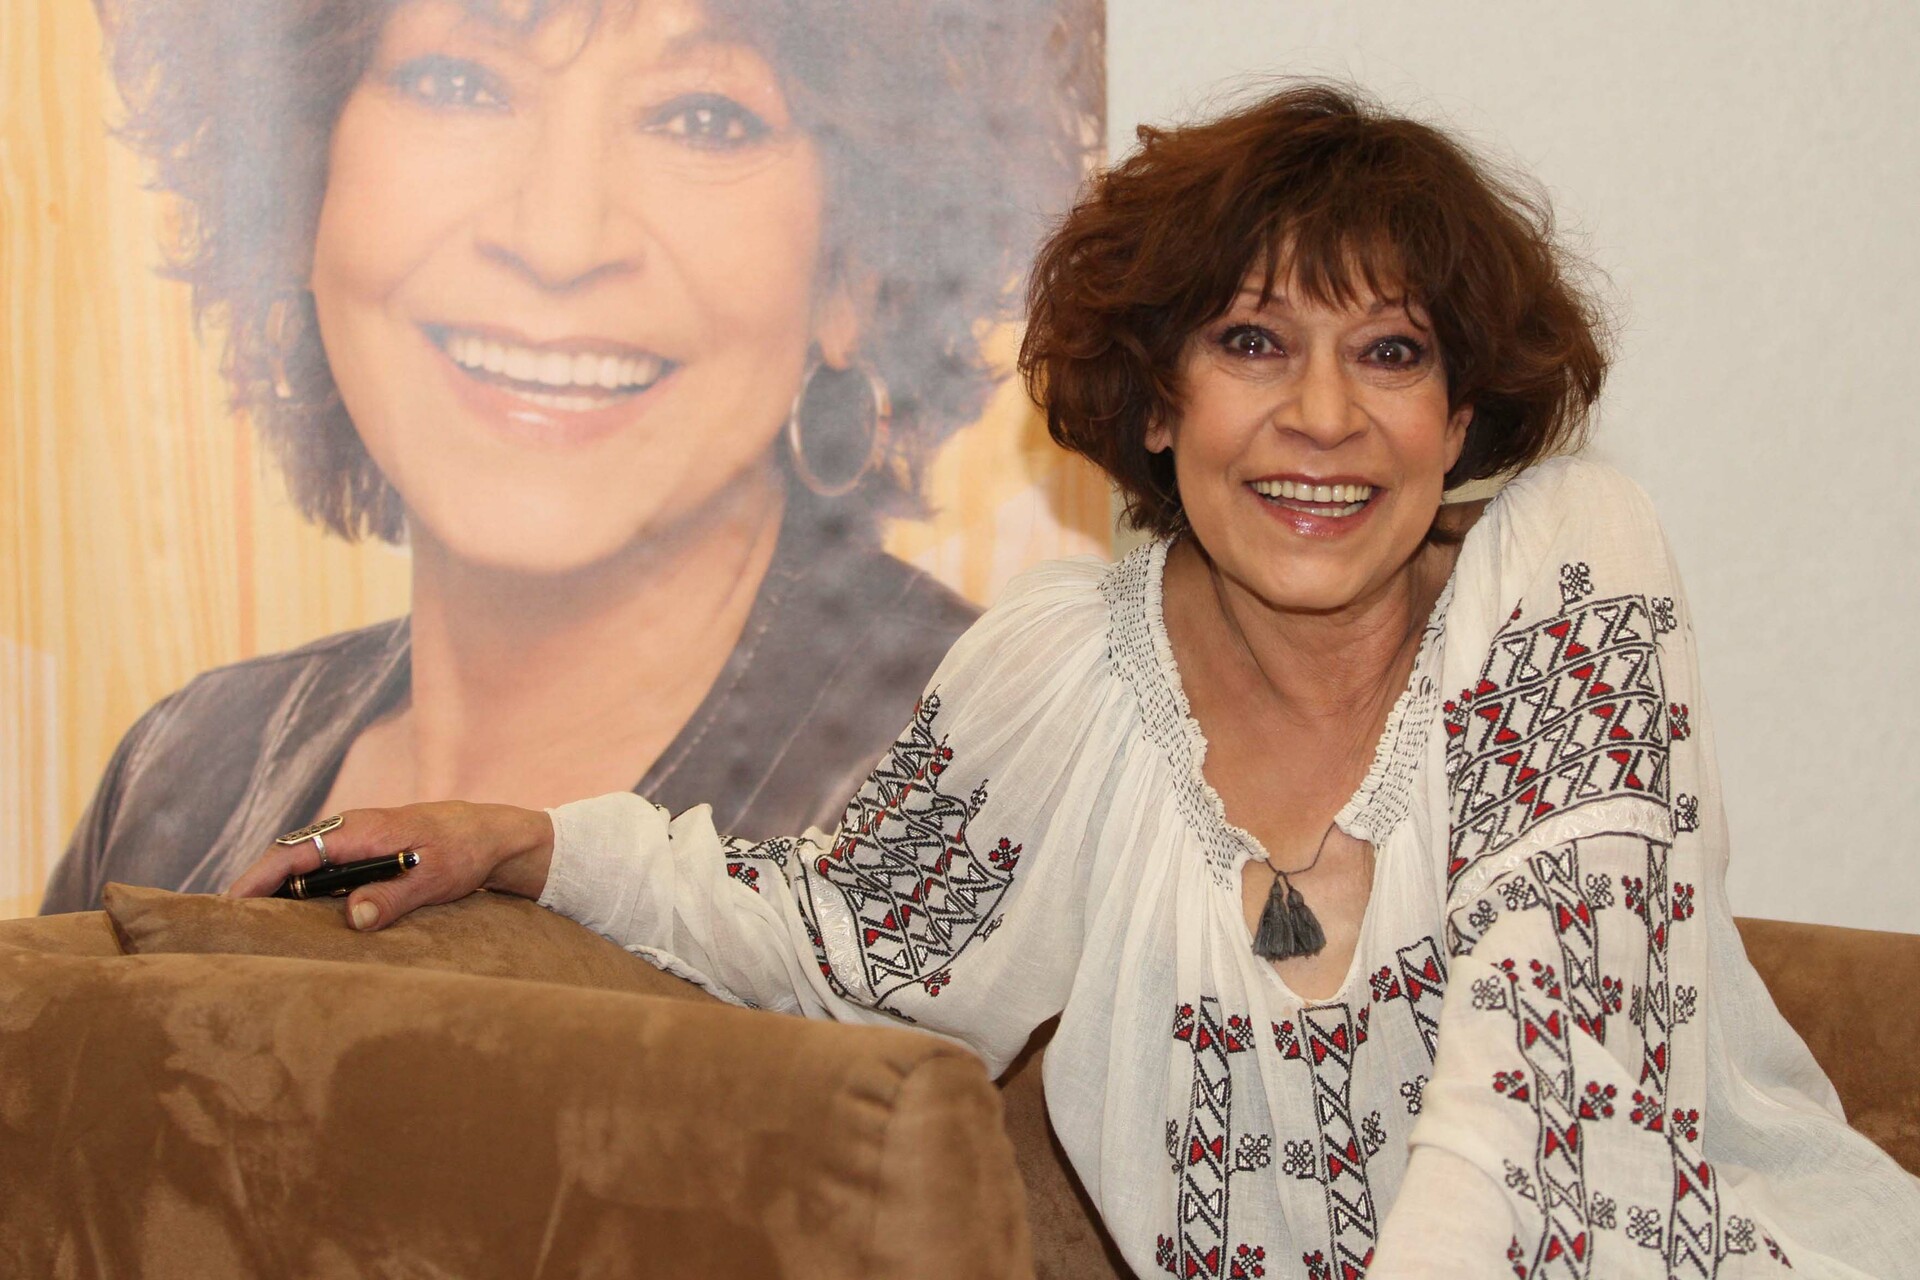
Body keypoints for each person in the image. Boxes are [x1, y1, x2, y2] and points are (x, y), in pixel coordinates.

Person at [230, 84, 1920, 1276]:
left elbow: (1551, 1087)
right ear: (1159, 400)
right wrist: (538, 842)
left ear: (1460, 415)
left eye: (1392, 354)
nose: (1324, 418)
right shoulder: (1060, 678)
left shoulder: (1569, 573)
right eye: (1251, 343)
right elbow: (834, 950)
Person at [42, 0, 1101, 911]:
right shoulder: (179, 780)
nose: (557, 239)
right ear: (302, 191)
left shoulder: (995, 786)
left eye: (702, 117)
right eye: (460, 83)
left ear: (855, 273)